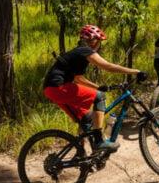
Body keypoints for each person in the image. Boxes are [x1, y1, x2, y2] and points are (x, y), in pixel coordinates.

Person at [44, 24, 147, 152]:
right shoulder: (86, 50)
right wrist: (136, 72)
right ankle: (99, 141)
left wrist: (98, 87)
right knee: (100, 97)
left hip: (51, 90)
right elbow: (107, 67)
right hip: (59, 87)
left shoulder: (78, 52)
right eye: (98, 41)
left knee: (86, 119)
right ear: (94, 42)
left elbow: (78, 78)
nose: (98, 45)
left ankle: (80, 153)